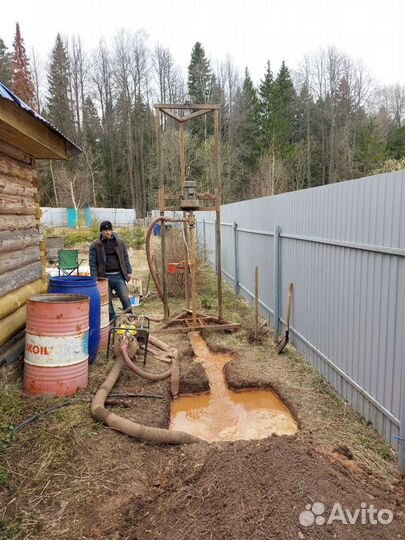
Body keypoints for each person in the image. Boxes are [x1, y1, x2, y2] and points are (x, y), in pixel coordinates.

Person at [89, 220, 132, 321]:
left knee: (125, 298)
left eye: (109, 230)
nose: (108, 232)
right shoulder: (95, 245)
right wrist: (95, 279)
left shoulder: (119, 242)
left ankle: (130, 319)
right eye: (105, 230)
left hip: (118, 276)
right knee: (107, 302)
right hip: (104, 277)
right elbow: (92, 264)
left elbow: (125, 257)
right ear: (101, 232)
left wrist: (128, 271)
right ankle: (112, 321)